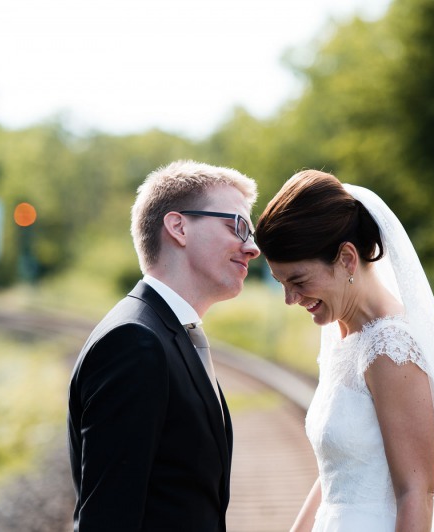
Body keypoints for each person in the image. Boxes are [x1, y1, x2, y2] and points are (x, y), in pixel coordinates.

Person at [255, 170, 434, 531]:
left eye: (298, 281)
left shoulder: (391, 349)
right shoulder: (346, 336)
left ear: (347, 258)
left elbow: (417, 493)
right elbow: (338, 474)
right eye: (282, 283)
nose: (289, 299)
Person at [67, 159, 261, 531]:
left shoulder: (165, 333)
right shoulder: (134, 343)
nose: (251, 247)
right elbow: (106, 519)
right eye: (237, 225)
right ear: (178, 227)